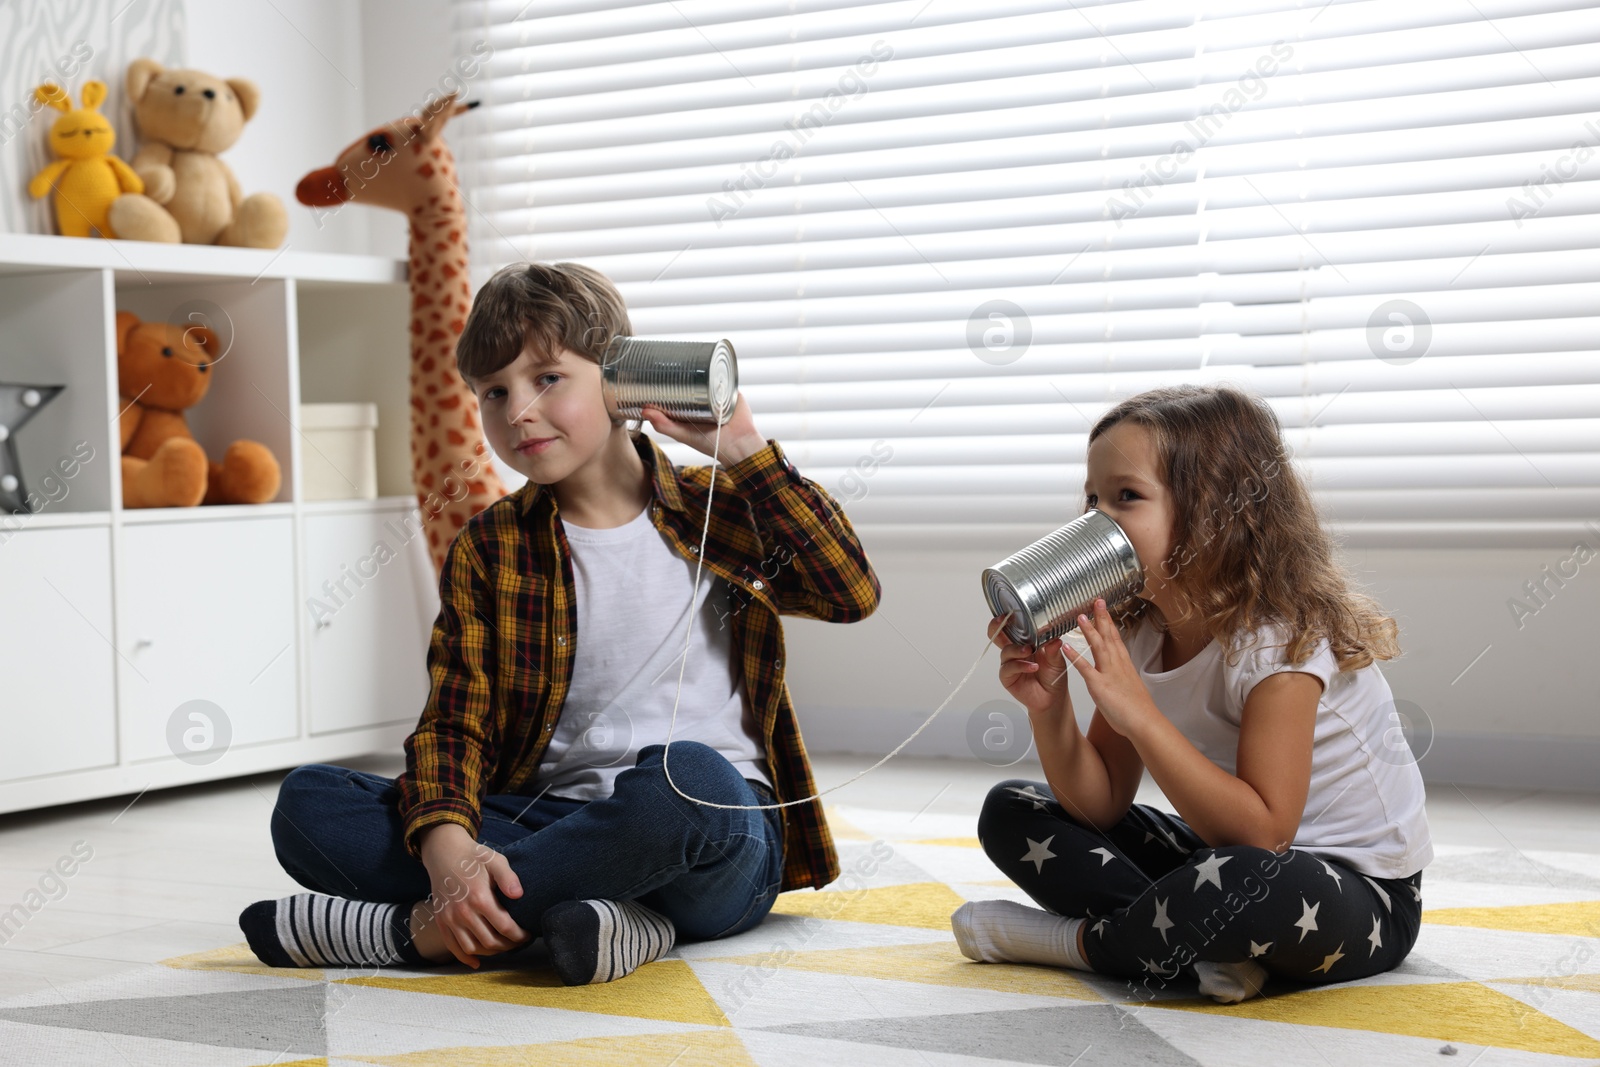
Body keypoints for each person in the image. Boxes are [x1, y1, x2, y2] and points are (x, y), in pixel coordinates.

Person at [239, 261, 880, 984]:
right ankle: (611, 918)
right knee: (310, 803)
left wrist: (742, 450)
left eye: (547, 378)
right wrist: (448, 846)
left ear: (619, 379)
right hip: (552, 819)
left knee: (683, 777)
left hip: (712, 832)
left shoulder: (716, 507)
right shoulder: (491, 546)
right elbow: (455, 723)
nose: (517, 410)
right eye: (494, 391)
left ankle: (414, 933)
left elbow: (850, 591)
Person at [951, 383, 1431, 1004]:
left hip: (1358, 894)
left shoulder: (1279, 642)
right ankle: (1200, 943)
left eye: (1127, 497)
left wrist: (1142, 717)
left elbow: (1264, 836)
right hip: (1219, 854)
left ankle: (1074, 944)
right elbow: (1100, 805)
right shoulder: (1144, 628)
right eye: (1093, 499)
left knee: (1242, 879)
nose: (1097, 521)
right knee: (1014, 809)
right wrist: (1051, 710)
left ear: (1215, 512)